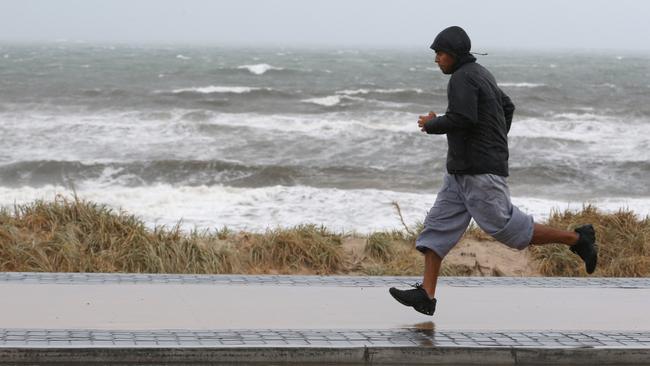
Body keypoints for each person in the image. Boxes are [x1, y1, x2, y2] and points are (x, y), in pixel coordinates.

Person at [388, 26, 598, 316]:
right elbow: (506, 106)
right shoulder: (481, 74)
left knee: (506, 228)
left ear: (453, 54)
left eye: (439, 53)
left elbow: (463, 117)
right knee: (437, 228)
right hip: (461, 172)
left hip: (478, 172)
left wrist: (431, 124)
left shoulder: (463, 77)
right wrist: (493, 139)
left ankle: (578, 239)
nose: (436, 59)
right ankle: (426, 294)